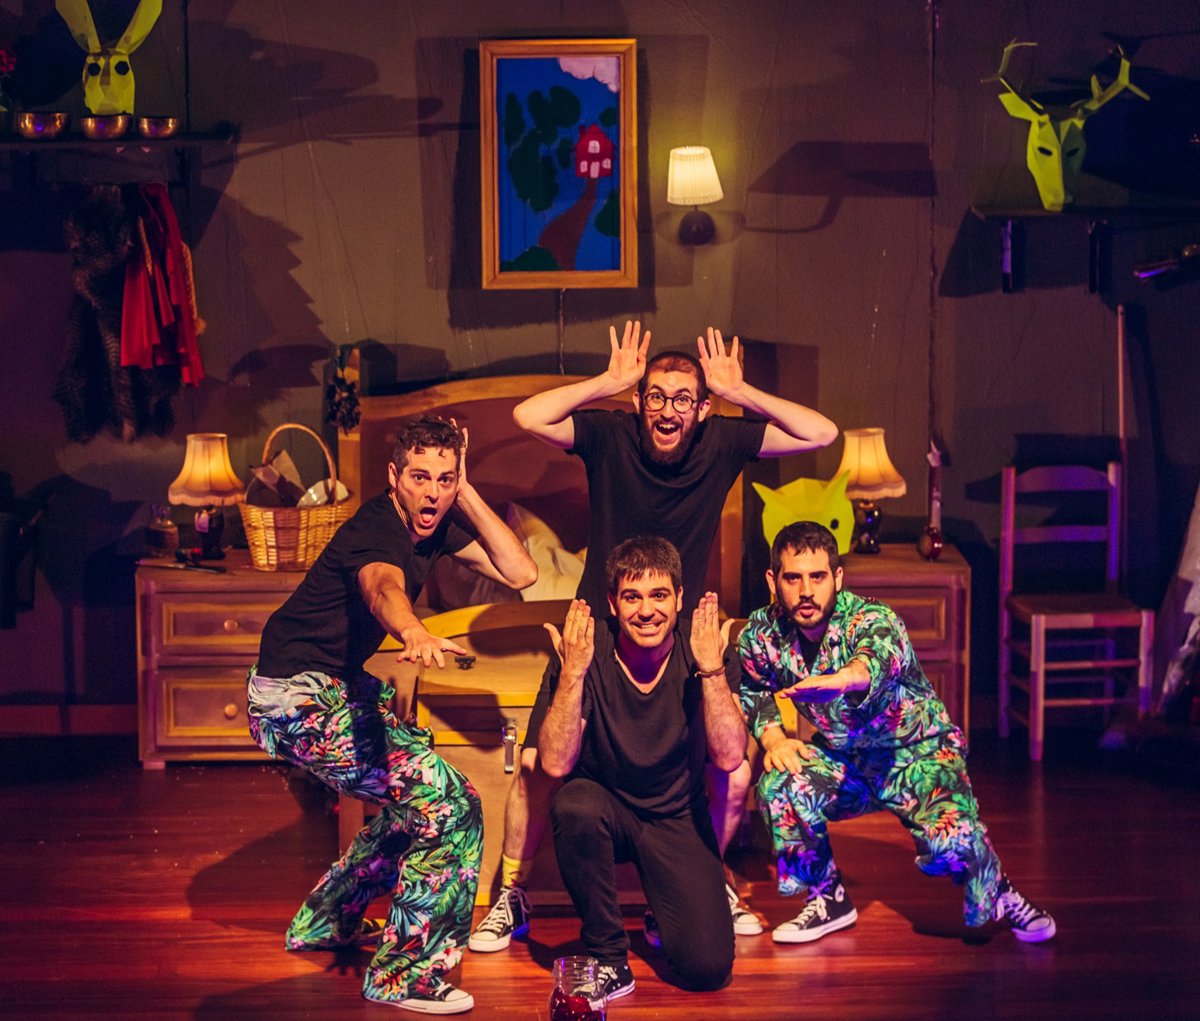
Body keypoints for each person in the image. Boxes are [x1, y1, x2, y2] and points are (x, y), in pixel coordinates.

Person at [469, 320, 838, 952]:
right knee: (536, 763)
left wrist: (739, 391)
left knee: (728, 766)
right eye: (657, 397)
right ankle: (513, 893)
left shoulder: (722, 439)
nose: (668, 410)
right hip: (594, 632)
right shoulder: (611, 432)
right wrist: (608, 382)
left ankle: (708, 877)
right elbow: (529, 416)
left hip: (682, 636)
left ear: (701, 409)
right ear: (640, 403)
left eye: (683, 399)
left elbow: (821, 433)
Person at [246, 416, 537, 1014]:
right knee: (452, 805)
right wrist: (412, 630)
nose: (432, 494)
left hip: (330, 685)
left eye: (444, 480)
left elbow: (522, 571)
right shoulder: (377, 529)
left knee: (420, 801)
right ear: (393, 477)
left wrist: (465, 489)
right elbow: (383, 588)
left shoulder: (440, 518)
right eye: (419, 478)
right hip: (294, 697)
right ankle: (405, 976)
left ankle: (327, 921)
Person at [737, 520, 1057, 944]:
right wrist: (774, 737)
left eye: (818, 577)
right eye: (793, 578)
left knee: (950, 845)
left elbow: (877, 657)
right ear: (773, 581)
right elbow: (753, 686)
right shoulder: (763, 633)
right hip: (846, 759)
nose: (806, 591)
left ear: (837, 578)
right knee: (780, 783)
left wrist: (842, 680)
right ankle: (828, 898)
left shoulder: (872, 617)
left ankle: (998, 889)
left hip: (917, 753)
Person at [540, 536, 747, 998]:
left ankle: (666, 909)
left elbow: (730, 756)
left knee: (708, 969)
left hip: (676, 816)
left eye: (659, 595)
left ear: (679, 598)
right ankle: (608, 957)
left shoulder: (704, 649)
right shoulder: (586, 651)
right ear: (613, 603)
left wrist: (712, 671)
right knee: (574, 804)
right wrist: (572, 675)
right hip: (606, 808)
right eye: (632, 597)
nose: (646, 610)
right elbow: (555, 762)